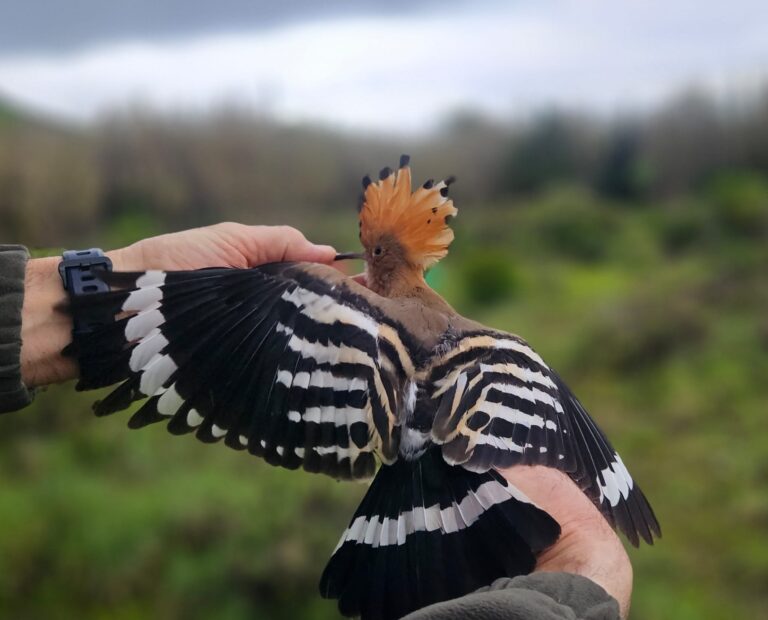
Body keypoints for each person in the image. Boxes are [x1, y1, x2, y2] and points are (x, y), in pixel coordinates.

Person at [0, 223, 630, 619]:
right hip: (457, 476)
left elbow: (249, 321)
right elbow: (551, 404)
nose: (365, 257)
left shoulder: (321, 297)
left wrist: (99, 301)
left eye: (375, 249)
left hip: (404, 470)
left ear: (396, 263)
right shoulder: (501, 345)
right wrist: (576, 585)